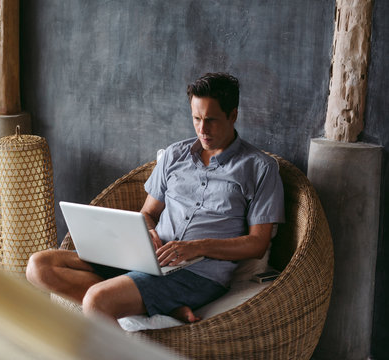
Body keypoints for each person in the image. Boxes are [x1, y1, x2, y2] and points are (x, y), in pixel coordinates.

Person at [26, 72, 285, 324]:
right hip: (148, 259)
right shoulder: (175, 155)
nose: (202, 129)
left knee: (97, 301)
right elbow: (148, 213)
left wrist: (197, 247)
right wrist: (147, 233)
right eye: (196, 118)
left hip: (199, 274)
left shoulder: (260, 168)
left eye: (212, 120)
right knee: (38, 266)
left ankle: (148, 301)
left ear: (233, 116)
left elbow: (257, 243)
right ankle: (160, 305)